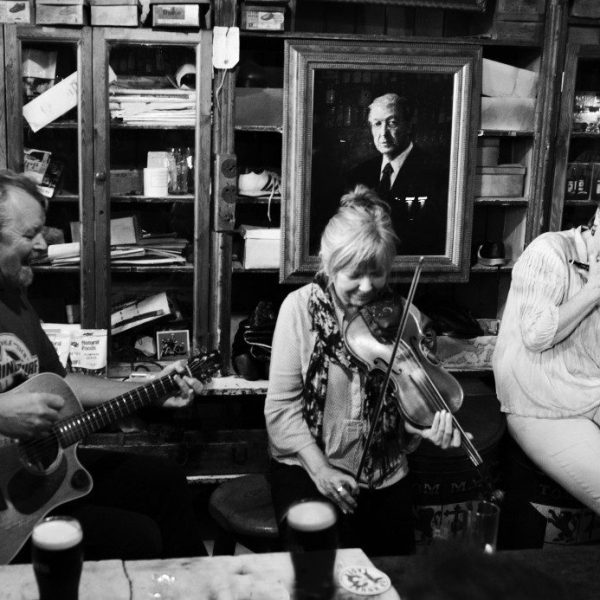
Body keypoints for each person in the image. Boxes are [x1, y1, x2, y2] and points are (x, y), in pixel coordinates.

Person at [0, 170, 208, 561]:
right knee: (135, 537)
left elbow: (61, 384)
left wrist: (149, 393)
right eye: (30, 235)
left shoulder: (14, 296)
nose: (44, 245)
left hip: (33, 473)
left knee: (163, 481)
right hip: (5, 509)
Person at [264, 185, 463, 556]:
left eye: (379, 273)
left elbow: (405, 416)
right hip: (308, 467)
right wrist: (321, 470)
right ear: (329, 262)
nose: (368, 286)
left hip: (386, 474)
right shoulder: (299, 309)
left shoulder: (407, 320)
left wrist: (425, 429)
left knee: (391, 575)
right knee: (321, 572)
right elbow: (281, 411)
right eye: (355, 273)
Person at [493, 209, 600, 515]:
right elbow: (536, 335)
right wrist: (593, 290)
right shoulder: (549, 251)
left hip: (591, 391)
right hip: (541, 406)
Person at [346, 93, 448, 255]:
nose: (383, 133)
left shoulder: (437, 173)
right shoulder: (359, 173)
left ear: (408, 127)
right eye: (377, 124)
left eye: (392, 123)